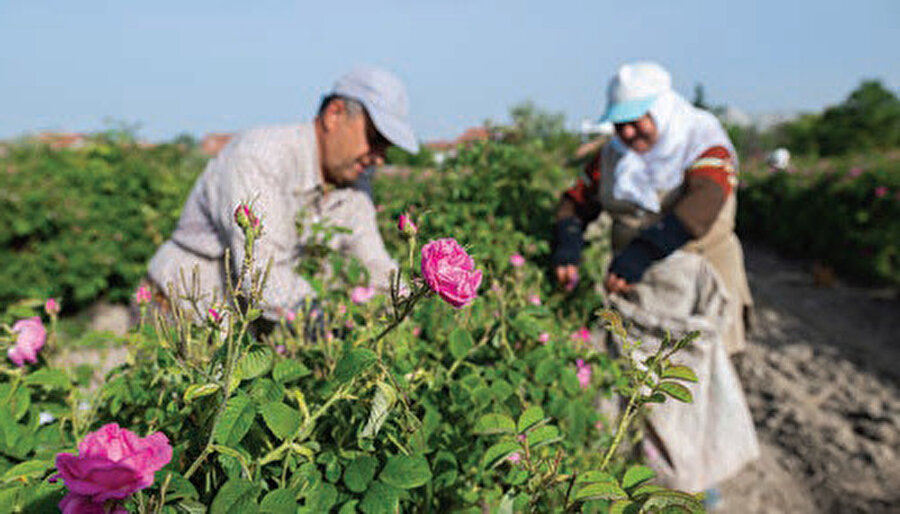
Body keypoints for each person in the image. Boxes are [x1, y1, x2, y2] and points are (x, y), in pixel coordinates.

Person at [551, 62, 758, 494]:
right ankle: (648, 488)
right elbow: (575, 202)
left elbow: (703, 205)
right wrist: (567, 246)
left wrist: (637, 255)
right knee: (642, 401)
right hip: (640, 297)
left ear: (662, 110)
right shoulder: (611, 159)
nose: (627, 134)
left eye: (635, 123)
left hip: (700, 289)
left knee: (696, 399)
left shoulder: (704, 144)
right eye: (619, 125)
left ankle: (699, 495)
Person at [146, 65, 418, 321]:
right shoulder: (261, 157)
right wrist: (344, 315)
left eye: (387, 147)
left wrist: (409, 304)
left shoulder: (354, 181)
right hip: (177, 313)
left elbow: (372, 260)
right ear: (334, 114)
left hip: (245, 329)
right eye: (375, 139)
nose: (379, 157)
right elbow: (264, 281)